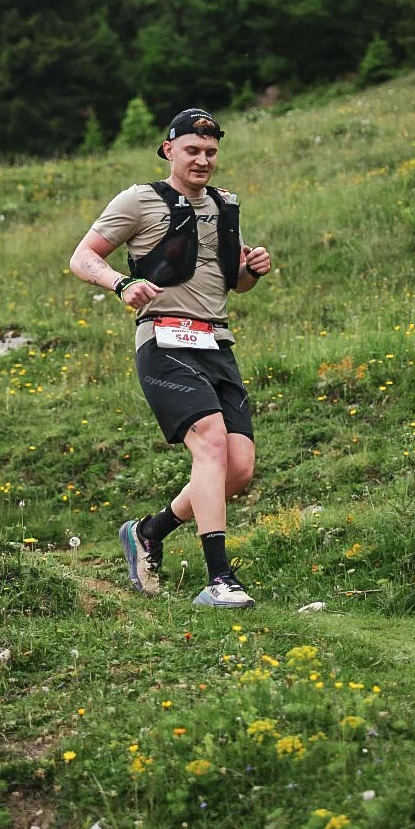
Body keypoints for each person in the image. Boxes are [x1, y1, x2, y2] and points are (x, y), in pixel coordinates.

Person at [69, 108, 271, 608]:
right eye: (192, 151)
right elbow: (82, 257)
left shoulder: (224, 206)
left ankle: (148, 533)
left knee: (239, 469)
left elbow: (235, 282)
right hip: (163, 340)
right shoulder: (138, 200)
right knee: (210, 445)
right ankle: (219, 580)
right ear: (169, 150)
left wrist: (254, 269)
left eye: (210, 152)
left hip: (217, 344)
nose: (203, 160)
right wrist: (121, 282)